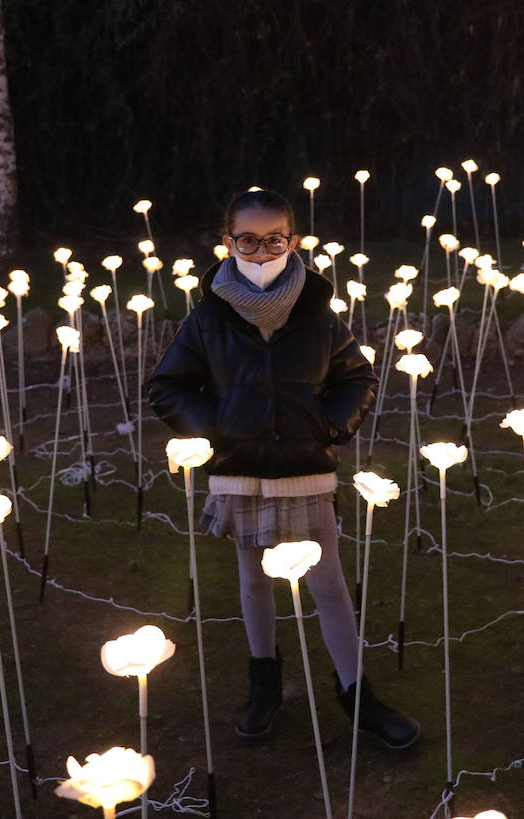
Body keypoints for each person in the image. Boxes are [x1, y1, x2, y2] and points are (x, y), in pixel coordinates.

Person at [147, 188, 419, 750]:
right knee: (253, 579)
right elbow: (167, 386)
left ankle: (355, 694)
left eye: (275, 239)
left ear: (293, 242)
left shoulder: (318, 313)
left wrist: (329, 427)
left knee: (329, 584)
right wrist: (220, 426)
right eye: (247, 239)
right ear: (228, 244)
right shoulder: (209, 318)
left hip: (304, 467)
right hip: (240, 467)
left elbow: (357, 378)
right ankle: (265, 683)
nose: (262, 250)